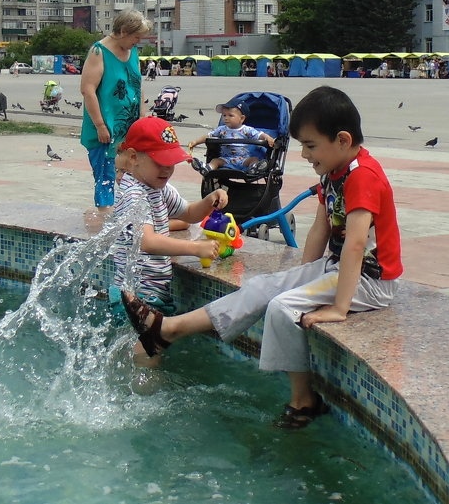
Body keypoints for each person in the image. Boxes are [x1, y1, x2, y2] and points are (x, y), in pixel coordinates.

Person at [120, 86, 402, 428]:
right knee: (263, 287)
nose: (304, 155)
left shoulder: (363, 177)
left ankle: (304, 401)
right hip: (339, 268)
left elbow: (356, 245)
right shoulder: (334, 171)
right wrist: (302, 275)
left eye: (310, 146)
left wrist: (338, 308)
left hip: (371, 281)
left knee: (283, 308)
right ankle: (168, 330)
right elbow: (319, 230)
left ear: (342, 140)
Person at [112, 118, 227, 354]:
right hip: (137, 294)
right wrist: (196, 248)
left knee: (146, 348)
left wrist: (209, 201)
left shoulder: (158, 187)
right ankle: (143, 388)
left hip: (152, 291)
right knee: (148, 350)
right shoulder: (133, 194)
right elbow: (147, 242)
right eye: (160, 162)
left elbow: (188, 213)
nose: (167, 169)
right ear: (134, 157)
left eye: (171, 163)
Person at [80, 8, 150, 214]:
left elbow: (137, 84)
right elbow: (87, 90)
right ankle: (105, 215)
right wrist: (100, 125)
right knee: (105, 175)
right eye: (135, 37)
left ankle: (129, 213)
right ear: (122, 31)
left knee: (134, 170)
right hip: (105, 127)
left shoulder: (132, 51)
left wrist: (142, 116)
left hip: (129, 125)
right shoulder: (98, 52)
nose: (137, 42)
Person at [188, 97, 275, 172]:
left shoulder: (246, 130)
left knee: (254, 159)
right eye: (224, 115)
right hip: (226, 159)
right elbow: (208, 136)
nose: (226, 118)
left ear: (241, 118)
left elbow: (259, 135)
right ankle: (208, 168)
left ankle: (253, 168)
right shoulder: (221, 129)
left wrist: (267, 138)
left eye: (230, 115)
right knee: (215, 161)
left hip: (243, 159)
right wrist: (195, 142)